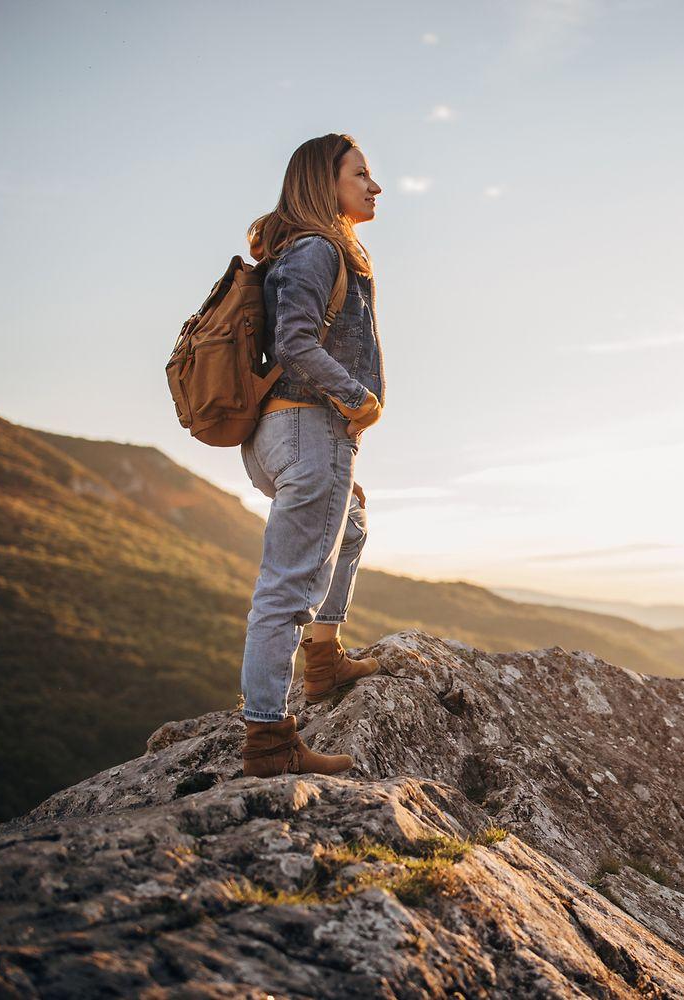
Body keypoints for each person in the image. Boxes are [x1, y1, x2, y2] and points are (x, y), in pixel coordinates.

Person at [236, 133, 387, 778]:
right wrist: (359, 400)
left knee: (349, 525)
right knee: (285, 589)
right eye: (362, 174)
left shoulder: (301, 251)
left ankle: (322, 665)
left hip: (285, 436)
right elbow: (296, 343)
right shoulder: (317, 250)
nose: (375, 186)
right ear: (326, 184)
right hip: (308, 429)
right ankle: (269, 742)